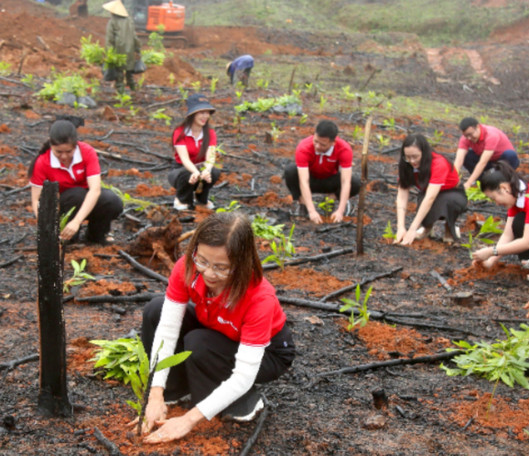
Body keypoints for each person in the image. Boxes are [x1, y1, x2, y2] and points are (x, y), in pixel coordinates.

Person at [138, 212, 295, 444]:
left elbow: (243, 375)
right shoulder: (188, 267)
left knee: (198, 344)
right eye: (203, 260)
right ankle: (176, 389)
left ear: (243, 263)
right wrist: (155, 392)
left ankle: (245, 402)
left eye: (222, 267)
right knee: (156, 311)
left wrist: (188, 420)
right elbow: (167, 329)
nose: (209, 273)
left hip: (268, 353)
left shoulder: (260, 298)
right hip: (218, 328)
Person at [28, 120, 123, 244]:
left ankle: (96, 235)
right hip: (62, 206)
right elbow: (36, 200)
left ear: (76, 145)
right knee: (76, 194)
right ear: (51, 146)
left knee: (111, 201)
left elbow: (95, 190)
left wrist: (77, 222)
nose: (64, 156)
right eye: (58, 152)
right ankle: (67, 237)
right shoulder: (42, 162)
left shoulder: (87, 152)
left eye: (68, 152)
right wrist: (45, 223)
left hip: (85, 201)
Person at [393, 134, 467, 245]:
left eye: (415, 156)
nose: (412, 161)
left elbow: (430, 198)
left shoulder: (438, 163)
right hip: (427, 191)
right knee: (423, 202)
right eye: (408, 157)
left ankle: (449, 227)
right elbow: (402, 196)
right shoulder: (405, 164)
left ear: (425, 153)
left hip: (452, 192)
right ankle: (427, 227)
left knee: (447, 202)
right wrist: (401, 227)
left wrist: (412, 229)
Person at [283, 120, 361, 224]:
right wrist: (312, 211)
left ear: (333, 142)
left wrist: (340, 211)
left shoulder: (344, 149)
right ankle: (303, 204)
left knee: (355, 182)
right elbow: (304, 181)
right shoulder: (304, 147)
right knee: (290, 171)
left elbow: (346, 182)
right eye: (316, 141)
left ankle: (330, 200)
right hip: (311, 180)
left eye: (323, 145)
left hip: (330, 180)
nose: (318, 146)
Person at [470, 161, 529, 268]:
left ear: (504, 188)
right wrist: (490, 261)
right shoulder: (516, 198)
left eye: (494, 198)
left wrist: (491, 251)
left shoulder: (527, 200)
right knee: (518, 222)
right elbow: (508, 234)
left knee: (520, 221)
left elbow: (527, 242)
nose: (497, 203)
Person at [169, 94, 221, 211]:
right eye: (201, 112)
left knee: (214, 172)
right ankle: (182, 199)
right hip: (180, 170)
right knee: (187, 173)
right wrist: (195, 172)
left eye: (207, 112)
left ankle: (201, 199)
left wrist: (207, 171)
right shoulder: (180, 132)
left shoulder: (210, 133)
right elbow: (184, 159)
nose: (205, 116)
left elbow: (210, 156)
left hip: (201, 166)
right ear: (192, 114)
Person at [453, 117, 519, 190]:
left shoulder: (491, 135)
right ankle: (482, 182)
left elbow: (482, 163)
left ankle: (503, 181)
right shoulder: (465, 138)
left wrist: (469, 183)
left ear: (478, 127)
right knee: (467, 156)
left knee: (510, 155)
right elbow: (459, 159)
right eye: (466, 135)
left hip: (503, 162)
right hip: (489, 162)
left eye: (470, 134)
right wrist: (453, 178)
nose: (469, 138)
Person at [103, 0, 141, 93]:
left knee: (119, 74)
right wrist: (138, 49)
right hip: (130, 50)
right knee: (129, 73)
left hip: (118, 51)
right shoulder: (129, 20)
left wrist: (109, 54)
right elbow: (134, 37)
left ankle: (121, 94)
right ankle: (134, 90)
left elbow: (109, 40)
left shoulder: (112, 22)